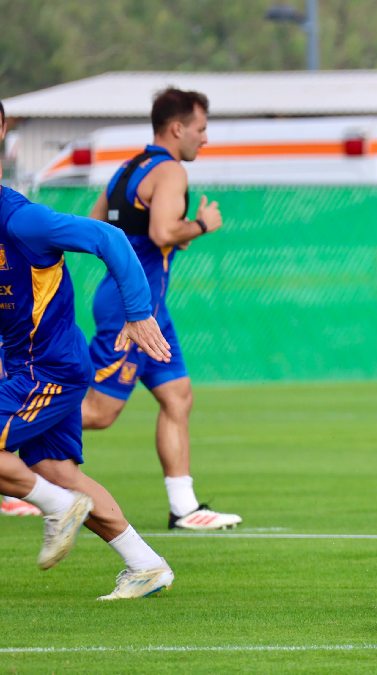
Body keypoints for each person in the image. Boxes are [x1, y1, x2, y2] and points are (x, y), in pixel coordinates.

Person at [1, 99, 176, 599]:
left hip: (46, 369)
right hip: (33, 365)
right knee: (56, 472)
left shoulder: (21, 220)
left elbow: (109, 237)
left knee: (54, 489)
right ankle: (146, 565)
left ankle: (56, 507)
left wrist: (138, 312)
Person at [81, 87, 241, 531]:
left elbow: (96, 229)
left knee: (177, 396)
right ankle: (9, 443)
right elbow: (161, 232)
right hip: (132, 309)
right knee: (98, 411)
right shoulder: (170, 170)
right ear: (177, 128)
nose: (204, 139)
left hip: (147, 306)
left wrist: (162, 237)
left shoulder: (127, 169)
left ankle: (184, 508)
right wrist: (201, 225)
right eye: (201, 129)